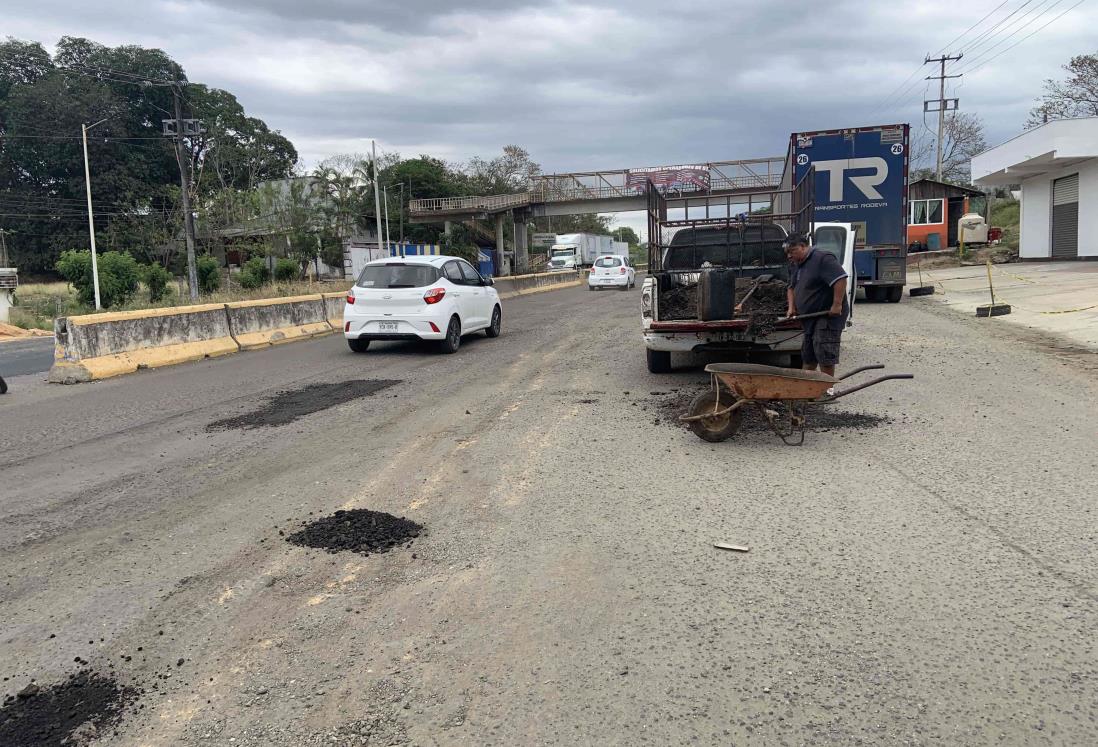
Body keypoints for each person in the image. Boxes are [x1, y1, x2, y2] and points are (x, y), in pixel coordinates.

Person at [783, 233, 848, 377]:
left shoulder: (822, 258)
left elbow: (840, 279)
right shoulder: (795, 264)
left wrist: (837, 304)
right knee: (808, 355)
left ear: (803, 246)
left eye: (791, 251)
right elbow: (791, 287)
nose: (789, 256)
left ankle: (827, 390)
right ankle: (807, 389)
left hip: (826, 315)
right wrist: (791, 308)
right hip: (809, 317)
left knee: (824, 353)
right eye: (787, 253)